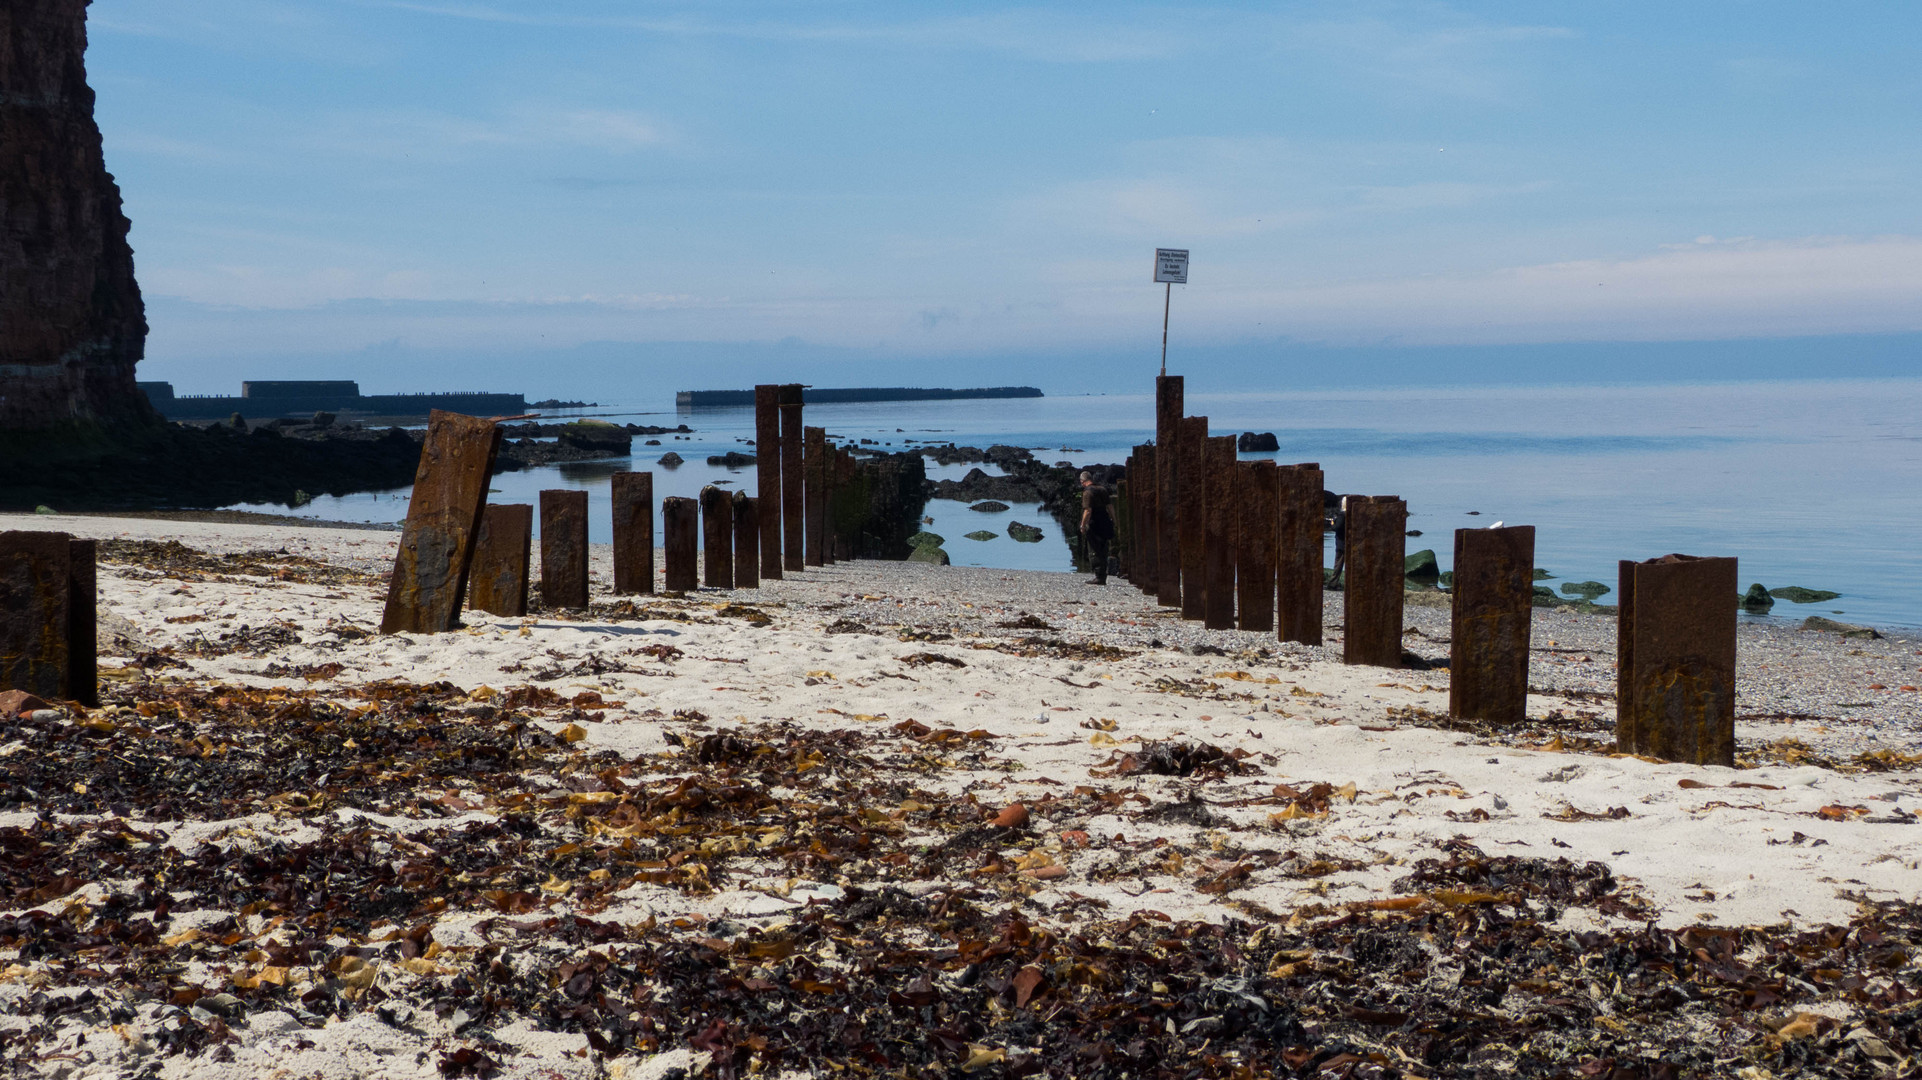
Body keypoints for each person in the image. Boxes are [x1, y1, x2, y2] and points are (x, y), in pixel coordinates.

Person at [1079, 471, 1114, 585]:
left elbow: (1088, 511)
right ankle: (1103, 574)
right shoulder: (1102, 489)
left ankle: (1099, 576)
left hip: (1094, 523)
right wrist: (1114, 520)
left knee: (1094, 549)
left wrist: (1083, 525)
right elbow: (1110, 506)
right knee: (1104, 548)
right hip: (1105, 520)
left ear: (1083, 481)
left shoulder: (1087, 493)